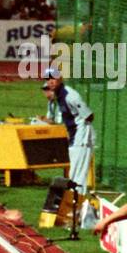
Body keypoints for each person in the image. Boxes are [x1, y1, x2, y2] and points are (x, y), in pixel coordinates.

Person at [43, 67, 96, 195]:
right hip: (74, 138)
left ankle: (78, 204)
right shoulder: (59, 96)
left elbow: (89, 115)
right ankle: (74, 203)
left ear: (60, 79)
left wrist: (81, 129)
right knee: (74, 173)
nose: (50, 82)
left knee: (78, 175)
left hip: (82, 137)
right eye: (48, 79)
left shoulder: (70, 95)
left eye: (53, 78)